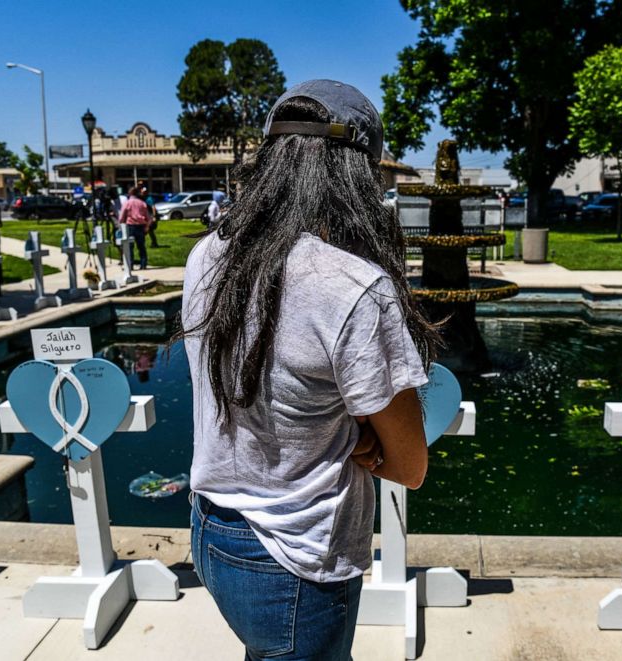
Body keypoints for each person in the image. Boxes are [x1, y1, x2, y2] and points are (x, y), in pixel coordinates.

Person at [180, 80, 438, 660]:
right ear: (357, 176)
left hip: (214, 531)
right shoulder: (350, 287)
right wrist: (364, 436)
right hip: (298, 558)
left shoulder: (207, 255)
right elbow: (410, 464)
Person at [118, 187, 151, 268]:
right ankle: (143, 264)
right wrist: (147, 226)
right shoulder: (142, 203)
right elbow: (148, 217)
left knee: (129, 246)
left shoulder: (127, 203)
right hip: (141, 226)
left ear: (130, 193)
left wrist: (121, 224)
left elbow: (121, 216)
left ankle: (130, 264)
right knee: (141, 246)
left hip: (130, 226)